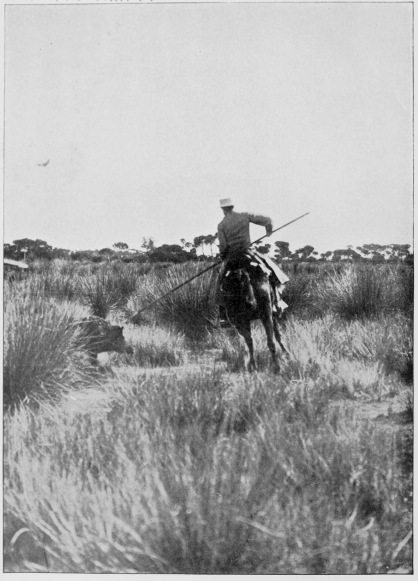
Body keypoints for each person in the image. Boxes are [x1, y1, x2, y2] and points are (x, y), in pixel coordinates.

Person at [216, 197, 289, 325]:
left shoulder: (221, 225)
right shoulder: (245, 216)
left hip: (232, 258)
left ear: (223, 209)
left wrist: (223, 257)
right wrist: (268, 230)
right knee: (271, 269)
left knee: (220, 282)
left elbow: (224, 247)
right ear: (233, 206)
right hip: (249, 254)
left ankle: (223, 315)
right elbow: (267, 220)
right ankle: (278, 302)